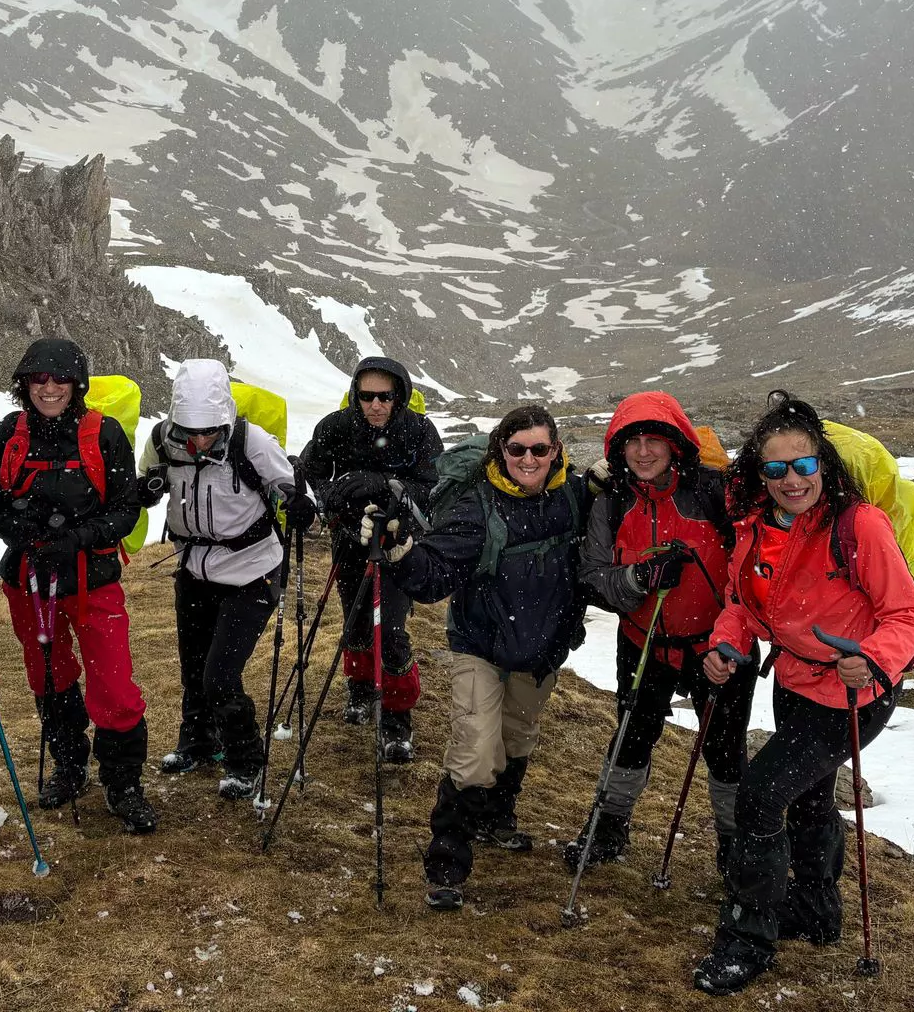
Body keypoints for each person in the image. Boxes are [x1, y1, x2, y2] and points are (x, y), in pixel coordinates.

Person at [691, 394, 914, 996]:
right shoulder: (754, 528)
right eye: (775, 470)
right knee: (810, 799)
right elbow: (742, 605)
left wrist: (871, 659)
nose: (791, 480)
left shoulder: (861, 526)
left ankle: (748, 937)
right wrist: (725, 647)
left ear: (823, 464)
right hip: (796, 681)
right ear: (758, 474)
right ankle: (817, 913)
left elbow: (906, 614)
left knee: (760, 796)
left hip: (855, 693)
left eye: (803, 466)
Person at [379, 403, 585, 911]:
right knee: (474, 750)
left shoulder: (575, 497)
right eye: (517, 449)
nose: (529, 459)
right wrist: (403, 552)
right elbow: (436, 574)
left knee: (518, 738)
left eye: (540, 449)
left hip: (540, 652)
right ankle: (447, 861)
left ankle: (497, 818)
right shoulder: (478, 505)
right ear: (500, 451)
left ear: (556, 450)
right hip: (481, 647)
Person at [570, 392, 756, 869]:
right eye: (634, 441)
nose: (645, 451)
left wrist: (731, 641)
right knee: (631, 736)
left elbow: (752, 567)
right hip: (643, 642)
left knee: (724, 749)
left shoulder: (715, 493)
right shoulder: (610, 503)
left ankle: (735, 845)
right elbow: (591, 574)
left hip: (719, 649)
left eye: (656, 440)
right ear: (619, 449)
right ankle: (607, 827)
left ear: (677, 445)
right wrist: (637, 580)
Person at [0, 337, 156, 834]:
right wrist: (24, 533)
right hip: (28, 582)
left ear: (77, 385)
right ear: (24, 384)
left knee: (115, 685)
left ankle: (123, 784)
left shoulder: (103, 435)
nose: (49, 388)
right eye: (39, 378)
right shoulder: (8, 434)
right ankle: (69, 765)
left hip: (93, 582)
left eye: (60, 379)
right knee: (49, 677)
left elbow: (126, 507)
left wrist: (78, 538)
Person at [134, 359, 306, 798]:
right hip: (193, 570)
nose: (198, 440)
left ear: (225, 418)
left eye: (208, 430)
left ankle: (245, 760)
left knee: (220, 675)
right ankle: (197, 742)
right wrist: (144, 491)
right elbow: (141, 483)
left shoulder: (251, 442)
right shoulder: (161, 440)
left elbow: (293, 488)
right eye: (189, 431)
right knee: (194, 668)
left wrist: (302, 504)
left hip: (252, 571)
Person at [299, 356, 443, 761]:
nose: (376, 405)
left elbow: (434, 489)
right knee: (356, 621)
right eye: (367, 397)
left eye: (385, 396)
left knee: (392, 630)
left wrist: (381, 483)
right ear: (354, 395)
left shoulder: (419, 431)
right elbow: (310, 471)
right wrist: (329, 498)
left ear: (400, 396)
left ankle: (397, 721)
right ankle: (360, 691)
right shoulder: (335, 427)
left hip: (398, 545)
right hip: (349, 540)